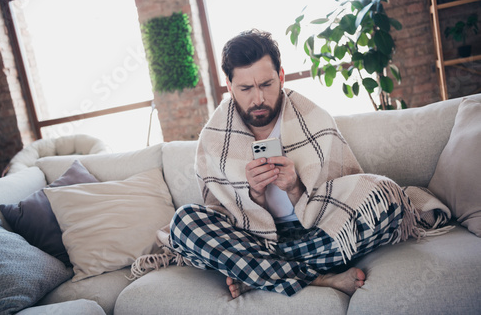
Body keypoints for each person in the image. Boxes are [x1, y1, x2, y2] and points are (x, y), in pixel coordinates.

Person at [131, 29, 448, 299]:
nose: (258, 98)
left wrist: (296, 187)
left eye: (267, 84)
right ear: (229, 86)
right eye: (245, 88)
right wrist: (253, 196)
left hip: (316, 231)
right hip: (254, 240)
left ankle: (258, 275)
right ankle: (317, 278)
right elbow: (221, 214)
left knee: (384, 195)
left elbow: (347, 185)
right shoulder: (214, 138)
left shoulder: (312, 117)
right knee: (185, 222)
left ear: (281, 76)